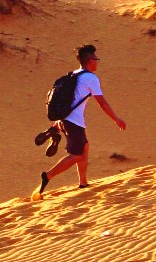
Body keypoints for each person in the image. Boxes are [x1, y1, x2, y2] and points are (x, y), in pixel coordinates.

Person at [32, 44, 125, 200]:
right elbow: (102, 102)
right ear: (90, 61)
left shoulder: (74, 75)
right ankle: (47, 176)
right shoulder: (90, 78)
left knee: (84, 148)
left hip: (64, 119)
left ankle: (83, 182)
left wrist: (59, 122)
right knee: (77, 154)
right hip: (73, 122)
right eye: (96, 59)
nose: (97, 62)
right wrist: (116, 119)